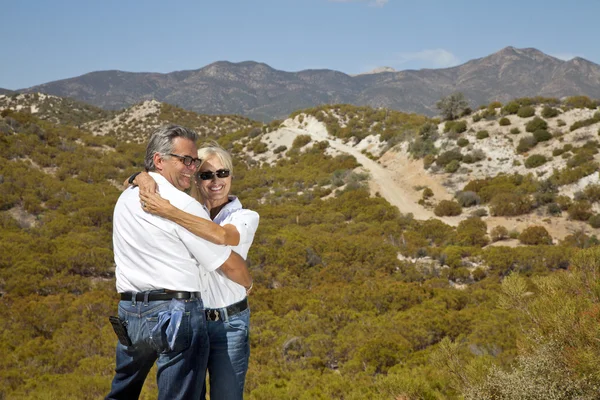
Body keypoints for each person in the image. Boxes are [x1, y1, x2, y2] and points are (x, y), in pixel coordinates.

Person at [106, 126, 252, 400]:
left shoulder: (124, 198)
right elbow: (223, 257)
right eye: (186, 160)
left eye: (194, 162)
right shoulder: (184, 206)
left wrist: (138, 177)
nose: (191, 167)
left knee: (121, 392)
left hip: (130, 312)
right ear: (160, 160)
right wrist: (249, 282)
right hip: (174, 313)